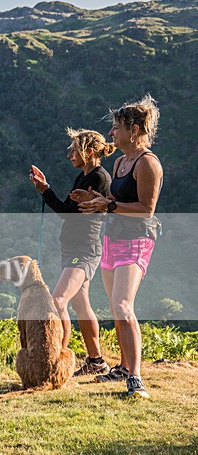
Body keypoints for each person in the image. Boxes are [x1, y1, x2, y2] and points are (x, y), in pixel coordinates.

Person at [73, 95, 163, 398]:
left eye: (116, 127)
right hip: (113, 238)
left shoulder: (147, 163)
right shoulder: (121, 161)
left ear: (134, 130)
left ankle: (136, 379)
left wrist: (108, 206)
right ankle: (123, 366)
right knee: (115, 307)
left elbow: (146, 209)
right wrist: (96, 202)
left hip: (136, 242)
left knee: (124, 306)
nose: (112, 133)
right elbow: (116, 202)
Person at [28, 129, 114, 377]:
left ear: (87, 152)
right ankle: (96, 361)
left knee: (58, 301)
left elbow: (69, 214)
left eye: (73, 149)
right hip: (75, 248)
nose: (69, 155)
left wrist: (46, 191)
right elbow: (67, 209)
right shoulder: (84, 177)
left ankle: (57, 359)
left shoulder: (98, 178)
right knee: (80, 305)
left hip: (83, 250)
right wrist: (45, 189)